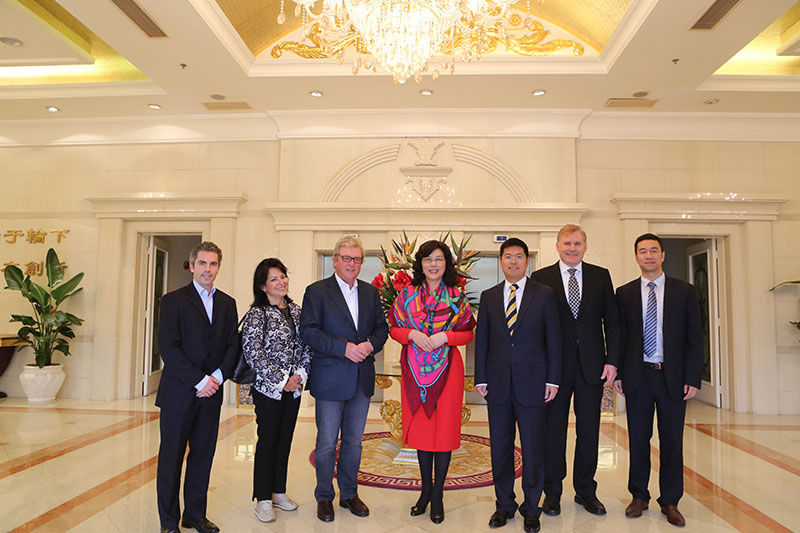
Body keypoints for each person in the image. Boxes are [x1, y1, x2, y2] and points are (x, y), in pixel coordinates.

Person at [531, 224, 621, 516]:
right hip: (554, 371)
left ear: (585, 247)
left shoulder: (600, 276)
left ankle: (585, 490)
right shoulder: (541, 278)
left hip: (592, 368)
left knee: (589, 431)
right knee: (553, 432)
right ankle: (552, 492)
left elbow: (613, 322)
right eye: (567, 243)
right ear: (557, 246)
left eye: (577, 243)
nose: (572, 248)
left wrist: (612, 361)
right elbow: (536, 327)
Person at [614, 233, 703, 527]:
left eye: (654, 250)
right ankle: (639, 496)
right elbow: (619, 337)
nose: (649, 255)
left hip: (672, 377)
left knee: (672, 441)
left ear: (663, 255)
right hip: (638, 376)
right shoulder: (624, 293)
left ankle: (670, 501)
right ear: (636, 257)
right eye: (643, 251)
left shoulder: (684, 291)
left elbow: (695, 337)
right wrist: (619, 373)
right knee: (638, 439)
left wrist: (693, 377)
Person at [299, 235, 389, 522]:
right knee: (327, 443)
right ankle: (324, 496)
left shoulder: (371, 293)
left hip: (361, 379)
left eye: (357, 259)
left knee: (353, 443)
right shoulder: (316, 292)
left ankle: (349, 494)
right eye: (347, 258)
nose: (352, 263)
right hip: (330, 380)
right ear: (335, 260)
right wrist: (344, 348)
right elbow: (309, 331)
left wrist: (370, 345)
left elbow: (382, 329)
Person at [475, 237, 561, 533]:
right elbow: (482, 340)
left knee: (533, 448)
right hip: (498, 384)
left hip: (534, 384)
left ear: (527, 261)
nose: (513, 261)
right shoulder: (489, 296)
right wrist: (481, 377)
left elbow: (554, 339)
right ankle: (504, 505)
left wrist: (553, 379)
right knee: (500, 447)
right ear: (501, 261)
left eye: (519, 256)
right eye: (508, 256)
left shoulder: (544, 294)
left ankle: (532, 508)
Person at [389, 240, 476, 524]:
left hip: (448, 370)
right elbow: (394, 329)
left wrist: (445, 337)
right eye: (428, 259)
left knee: (445, 433)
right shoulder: (406, 295)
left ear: (446, 263)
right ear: (420, 264)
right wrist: (411, 335)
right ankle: (425, 491)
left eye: (438, 259)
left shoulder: (456, 297)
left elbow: (468, 333)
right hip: (414, 372)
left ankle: (438, 495)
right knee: (423, 433)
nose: (433, 264)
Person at [156, 241, 238, 533]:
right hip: (179, 394)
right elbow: (169, 347)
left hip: (211, 395)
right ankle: (169, 522)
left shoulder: (227, 303)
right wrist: (200, 380)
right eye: (202, 263)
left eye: (213, 264)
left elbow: (233, 345)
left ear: (218, 267)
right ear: (192, 266)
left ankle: (194, 515)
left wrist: (216, 377)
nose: (207, 269)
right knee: (171, 459)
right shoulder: (173, 300)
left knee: (202, 457)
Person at [241, 258, 312, 523]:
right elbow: (253, 353)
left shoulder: (296, 310)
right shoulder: (256, 314)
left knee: (285, 441)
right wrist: (282, 380)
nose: (281, 282)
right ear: (262, 286)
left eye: (283, 276)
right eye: (274, 279)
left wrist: (301, 374)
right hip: (269, 390)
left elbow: (308, 345)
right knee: (268, 441)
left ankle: (278, 491)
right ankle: (263, 498)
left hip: (294, 389)